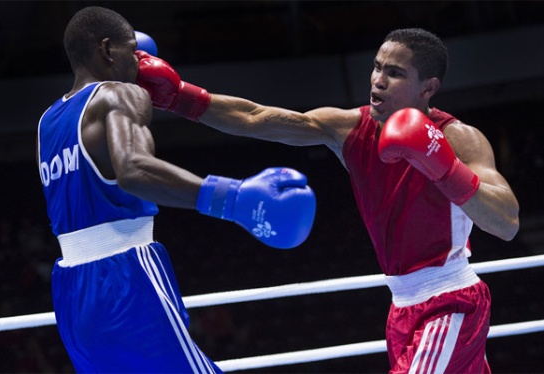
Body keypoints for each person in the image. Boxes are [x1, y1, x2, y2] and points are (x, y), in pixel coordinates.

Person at [134, 28, 520, 373]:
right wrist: (180, 98)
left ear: (429, 87)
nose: (378, 80)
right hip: (401, 307)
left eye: (395, 73)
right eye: (377, 67)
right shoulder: (350, 128)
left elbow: (506, 222)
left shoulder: (458, 138)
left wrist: (442, 165)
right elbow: (256, 117)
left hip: (449, 302)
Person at [36, 6, 316, 373]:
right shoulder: (119, 94)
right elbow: (133, 170)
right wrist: (231, 198)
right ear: (107, 51)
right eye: (132, 51)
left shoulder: (48, 122)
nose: (140, 62)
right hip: (126, 275)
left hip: (71, 292)